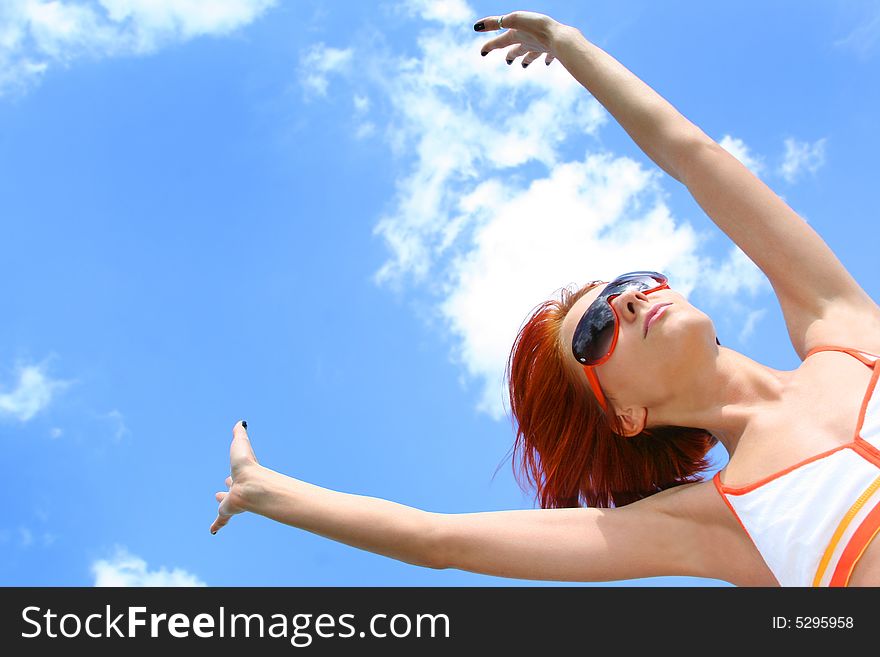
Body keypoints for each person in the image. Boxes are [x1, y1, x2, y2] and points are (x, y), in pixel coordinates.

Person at [210, 11, 880, 587]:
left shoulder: (844, 329)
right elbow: (439, 540)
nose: (625, 301)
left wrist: (568, 44)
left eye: (627, 283)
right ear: (623, 415)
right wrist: (265, 491)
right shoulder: (720, 522)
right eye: (594, 330)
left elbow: (692, 155)